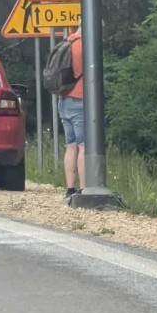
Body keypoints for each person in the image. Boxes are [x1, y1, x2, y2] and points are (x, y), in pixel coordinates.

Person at [58, 26, 84, 200]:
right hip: (80, 98)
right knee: (84, 145)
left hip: (63, 99)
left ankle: (70, 188)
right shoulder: (85, 45)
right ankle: (84, 188)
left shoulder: (66, 43)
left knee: (71, 144)